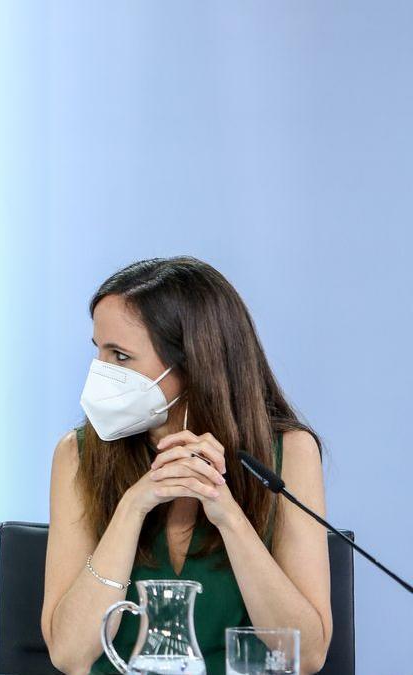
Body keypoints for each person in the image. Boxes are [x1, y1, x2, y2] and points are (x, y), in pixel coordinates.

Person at [40, 257, 332, 675]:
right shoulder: (77, 454)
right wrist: (132, 508)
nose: (100, 373)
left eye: (120, 356)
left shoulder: (289, 452)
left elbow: (307, 656)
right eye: (98, 351)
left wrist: (228, 516)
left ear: (194, 365)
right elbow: (70, 655)